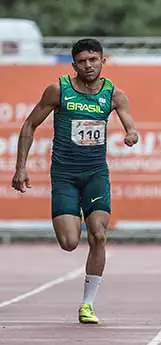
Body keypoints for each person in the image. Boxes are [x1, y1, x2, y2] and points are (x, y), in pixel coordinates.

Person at [11, 38, 139, 324]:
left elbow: (130, 123)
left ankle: (87, 305)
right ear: (74, 65)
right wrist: (21, 167)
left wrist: (131, 133)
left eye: (93, 60)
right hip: (65, 176)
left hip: (96, 173)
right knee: (69, 242)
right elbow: (30, 125)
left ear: (103, 61)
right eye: (82, 61)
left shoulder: (114, 94)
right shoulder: (59, 90)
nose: (88, 65)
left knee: (98, 234)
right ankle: (72, 214)